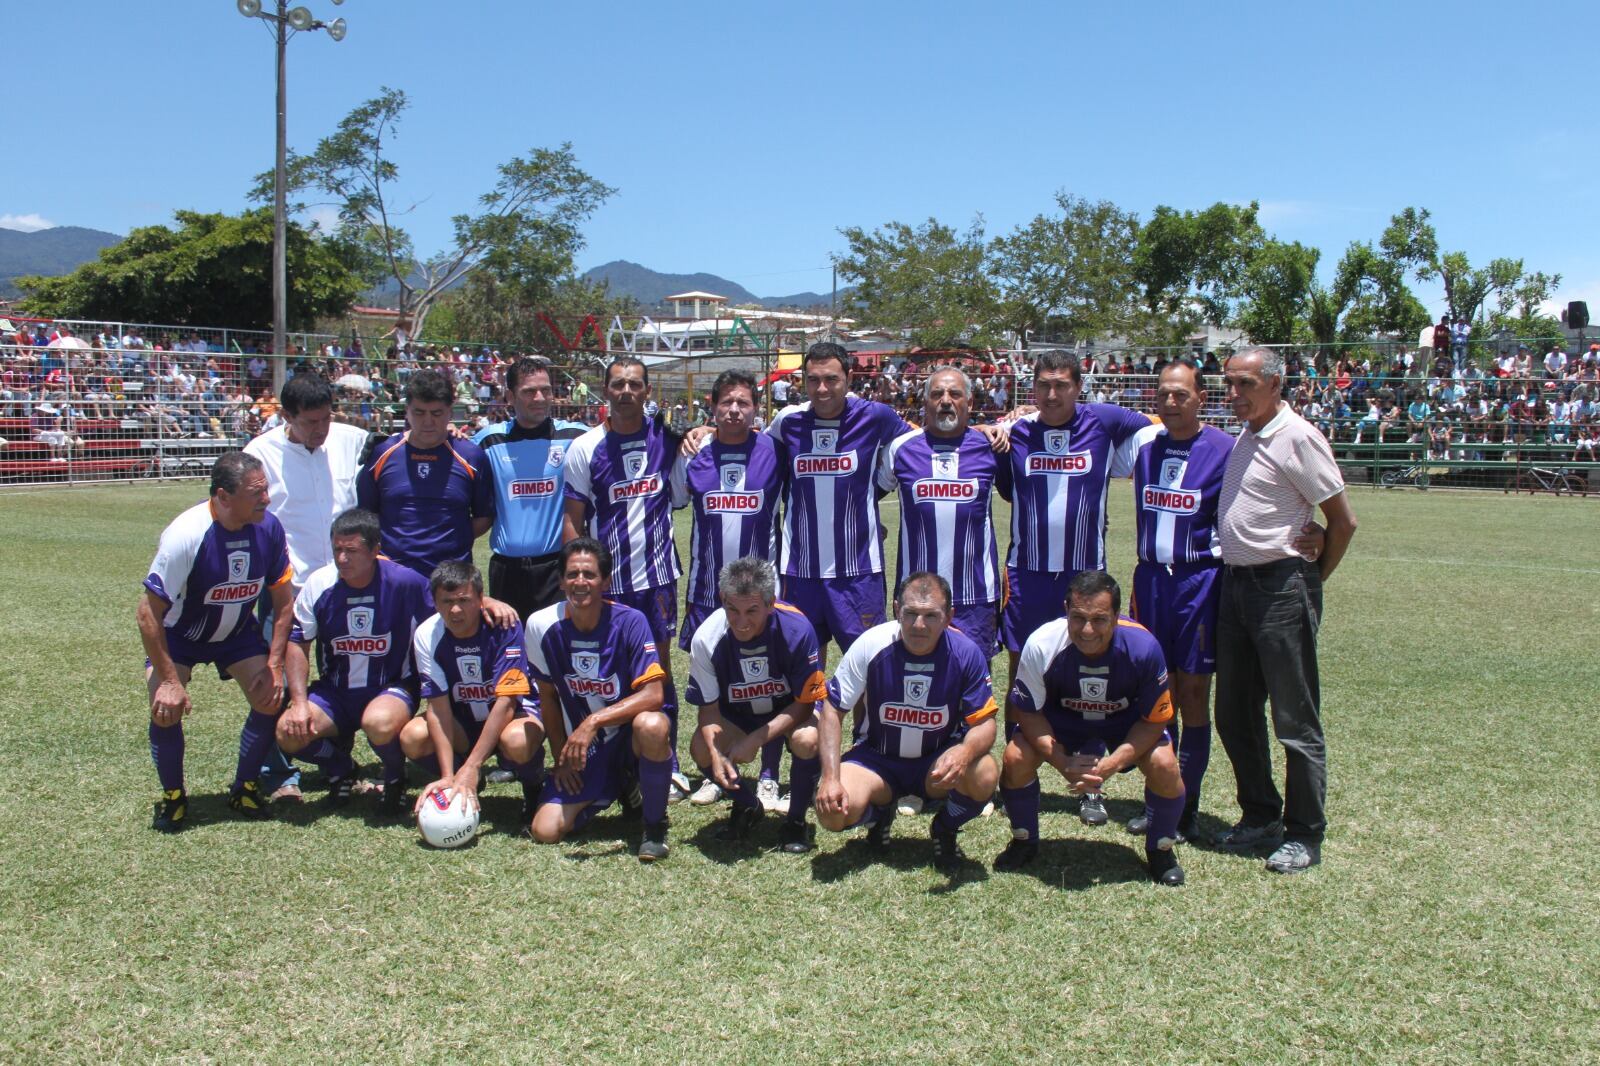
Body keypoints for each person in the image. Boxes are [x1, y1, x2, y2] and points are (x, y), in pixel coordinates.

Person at [1214, 347, 1358, 875]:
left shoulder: (1296, 436)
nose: (1234, 395)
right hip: (1235, 588)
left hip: (1280, 586)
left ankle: (1304, 833)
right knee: (1233, 712)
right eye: (1229, 384)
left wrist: (1311, 580)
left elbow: (1341, 521)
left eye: (1245, 384)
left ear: (1276, 384)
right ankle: (1260, 815)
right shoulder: (1249, 436)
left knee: (1294, 719)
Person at [996, 349, 1152, 826]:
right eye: (1043, 385)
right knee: (1022, 670)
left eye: (1062, 384)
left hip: (1086, 576)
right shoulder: (1017, 434)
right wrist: (1006, 420)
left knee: (1091, 674)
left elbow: (1151, 420)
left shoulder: (1102, 423)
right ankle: (1016, 773)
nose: (1051, 393)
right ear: (1032, 387)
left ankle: (1090, 784)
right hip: (1027, 574)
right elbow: (1002, 481)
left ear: (1078, 387)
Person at [1101, 359, 1234, 843]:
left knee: (1193, 694)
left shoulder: (1224, 449)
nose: (1171, 402)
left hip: (1198, 582)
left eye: (1181, 393)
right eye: (1163, 394)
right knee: (1158, 695)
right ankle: (1162, 798)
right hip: (1150, 581)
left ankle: (1186, 804)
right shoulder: (1146, 446)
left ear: (1202, 397)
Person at [993, 571, 1187, 884]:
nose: (1087, 630)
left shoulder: (1143, 647)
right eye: (1078, 617)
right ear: (1065, 609)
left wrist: (1114, 762)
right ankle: (1023, 840)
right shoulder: (1042, 643)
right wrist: (1062, 761)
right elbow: (1027, 713)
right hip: (1062, 721)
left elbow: (1154, 719)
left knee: (1165, 764)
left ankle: (1161, 849)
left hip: (1123, 723)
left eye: (1099, 620)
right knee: (1015, 757)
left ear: (1116, 616)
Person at [138, 452, 295, 831]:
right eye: (256, 492)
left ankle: (245, 788)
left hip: (236, 634)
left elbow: (284, 602)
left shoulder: (269, 528)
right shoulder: (186, 535)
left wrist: (274, 666)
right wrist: (171, 682)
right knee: (164, 706)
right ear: (224, 497)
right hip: (182, 637)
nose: (266, 499)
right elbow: (147, 614)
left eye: (266, 489)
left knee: (273, 695)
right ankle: (174, 798)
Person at [561, 356, 690, 800]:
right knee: (610, 671)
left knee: (660, 670)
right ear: (605, 390)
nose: (627, 392)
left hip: (656, 580)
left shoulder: (667, 441)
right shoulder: (585, 448)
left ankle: (665, 762)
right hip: (608, 586)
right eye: (618, 384)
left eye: (635, 384)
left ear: (647, 391)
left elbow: (679, 495)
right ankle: (614, 762)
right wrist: (579, 579)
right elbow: (573, 521)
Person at [814, 572, 999, 871]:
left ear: (949, 616)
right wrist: (831, 778)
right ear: (897, 609)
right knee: (831, 814)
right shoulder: (871, 644)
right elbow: (832, 711)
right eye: (911, 613)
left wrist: (964, 753)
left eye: (931, 615)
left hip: (935, 763)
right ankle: (879, 814)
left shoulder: (966, 653)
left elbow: (985, 723)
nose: (919, 625)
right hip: (877, 761)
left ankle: (946, 827)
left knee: (985, 772)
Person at [245, 370, 372, 801]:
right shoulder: (259, 454)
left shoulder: (351, 440)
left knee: (342, 675)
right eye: (310, 422)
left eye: (326, 420)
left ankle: (336, 763)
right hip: (288, 590)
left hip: (344, 586)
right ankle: (277, 774)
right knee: (273, 677)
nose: (321, 430)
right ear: (286, 415)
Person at [670, 369, 789, 810]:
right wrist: (692, 435)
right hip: (707, 591)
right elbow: (675, 501)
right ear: (713, 406)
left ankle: (772, 777)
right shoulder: (694, 454)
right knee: (714, 681)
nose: (735, 410)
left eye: (743, 403)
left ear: (757, 408)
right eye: (726, 403)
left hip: (759, 595)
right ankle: (718, 771)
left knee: (769, 683)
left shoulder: (776, 450)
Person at [275, 508, 433, 814]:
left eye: (352, 551)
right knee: (288, 732)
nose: (342, 559)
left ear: (376, 550)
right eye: (337, 549)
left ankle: (395, 776)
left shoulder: (406, 583)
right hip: (336, 692)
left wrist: (486, 602)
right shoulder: (319, 584)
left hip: (391, 686)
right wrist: (299, 703)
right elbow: (298, 643)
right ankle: (341, 766)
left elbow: (445, 615)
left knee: (378, 722)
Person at [525, 539, 673, 861]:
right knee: (545, 831)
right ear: (561, 580)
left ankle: (654, 827)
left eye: (589, 575)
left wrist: (594, 720)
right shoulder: (541, 626)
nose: (580, 582)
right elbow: (547, 697)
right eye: (572, 574)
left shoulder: (631, 621)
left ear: (605, 581)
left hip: (624, 736)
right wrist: (559, 757)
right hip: (585, 749)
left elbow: (654, 694)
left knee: (653, 724)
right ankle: (622, 788)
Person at [685, 557, 827, 852]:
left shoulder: (798, 630)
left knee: (808, 738)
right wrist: (715, 753)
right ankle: (748, 806)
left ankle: (796, 821)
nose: (741, 622)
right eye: (732, 609)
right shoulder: (706, 639)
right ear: (722, 599)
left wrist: (755, 740)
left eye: (752, 611)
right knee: (700, 746)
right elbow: (709, 711)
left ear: (771, 603)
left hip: (789, 710)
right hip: (738, 714)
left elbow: (803, 704)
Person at [401, 561, 547, 828]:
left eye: (464, 600)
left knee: (518, 740)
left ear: (481, 599)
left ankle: (535, 787)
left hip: (513, 714)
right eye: (446, 601)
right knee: (413, 736)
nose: (455, 610)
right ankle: (458, 779)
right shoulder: (427, 633)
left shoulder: (504, 625)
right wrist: (448, 774)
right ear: (434, 602)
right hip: (464, 720)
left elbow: (506, 703)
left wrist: (474, 764)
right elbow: (438, 708)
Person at [876, 365, 1002, 659]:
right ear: (925, 402)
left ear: (969, 403)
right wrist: (870, 527)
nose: (945, 400)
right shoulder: (901, 449)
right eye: (937, 394)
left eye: (955, 394)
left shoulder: (990, 446)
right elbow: (866, 496)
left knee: (972, 682)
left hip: (975, 596)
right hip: (915, 598)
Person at [473, 357, 591, 620]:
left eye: (546, 390)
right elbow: (451, 452)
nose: (539, 397)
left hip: (555, 567)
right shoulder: (489, 440)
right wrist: (450, 431)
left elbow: (621, 433)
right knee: (510, 651)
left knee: (552, 652)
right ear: (510, 396)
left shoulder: (575, 436)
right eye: (529, 391)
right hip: (506, 570)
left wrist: (695, 432)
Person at [356, 367, 494, 578]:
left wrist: (449, 543)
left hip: (452, 579)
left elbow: (484, 517)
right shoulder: (383, 453)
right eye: (419, 413)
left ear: (450, 411)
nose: (428, 422)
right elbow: (367, 514)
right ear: (407, 410)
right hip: (393, 576)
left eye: (436, 413)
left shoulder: (471, 456)